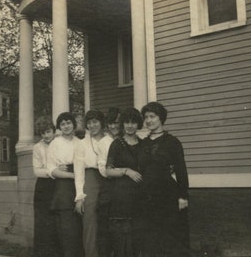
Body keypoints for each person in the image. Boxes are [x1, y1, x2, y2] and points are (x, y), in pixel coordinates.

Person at [136, 102, 190, 256]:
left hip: (167, 196)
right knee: (150, 239)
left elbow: (181, 170)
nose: (148, 120)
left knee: (169, 238)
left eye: (152, 116)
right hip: (147, 197)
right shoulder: (142, 143)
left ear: (161, 118)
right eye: (146, 117)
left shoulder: (172, 142)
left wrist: (183, 196)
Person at [99, 107, 144, 257]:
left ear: (138, 124)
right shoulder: (117, 144)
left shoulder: (144, 144)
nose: (130, 126)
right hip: (121, 196)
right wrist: (126, 170)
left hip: (139, 196)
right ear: (123, 124)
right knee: (122, 239)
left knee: (137, 237)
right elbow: (108, 170)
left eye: (133, 122)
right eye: (126, 122)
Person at [74, 109, 112, 257]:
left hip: (109, 179)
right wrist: (79, 197)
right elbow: (78, 171)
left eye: (95, 121)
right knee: (90, 221)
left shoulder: (110, 141)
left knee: (108, 220)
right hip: (90, 179)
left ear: (101, 123)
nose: (92, 125)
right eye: (89, 123)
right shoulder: (82, 144)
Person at [47, 112, 84, 257]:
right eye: (62, 124)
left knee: (79, 230)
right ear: (59, 127)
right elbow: (51, 169)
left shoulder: (79, 143)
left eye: (68, 122)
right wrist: (71, 175)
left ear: (74, 124)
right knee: (66, 230)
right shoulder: (55, 143)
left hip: (80, 185)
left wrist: (78, 178)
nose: (66, 126)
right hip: (63, 188)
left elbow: (82, 166)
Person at [32, 116, 61, 257]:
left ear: (53, 131)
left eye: (48, 131)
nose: (46, 135)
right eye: (43, 133)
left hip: (59, 184)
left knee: (57, 220)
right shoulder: (37, 148)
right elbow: (37, 171)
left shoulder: (60, 144)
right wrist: (53, 171)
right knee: (44, 222)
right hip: (44, 187)